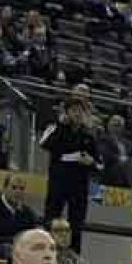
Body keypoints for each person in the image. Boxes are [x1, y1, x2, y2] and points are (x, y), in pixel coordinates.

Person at [38, 95, 103, 252]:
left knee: (76, 225)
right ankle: (46, 252)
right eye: (74, 111)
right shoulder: (56, 127)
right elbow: (43, 144)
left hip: (79, 186)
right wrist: (60, 125)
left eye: (81, 111)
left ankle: (74, 259)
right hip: (58, 183)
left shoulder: (88, 136)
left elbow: (100, 165)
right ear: (66, 113)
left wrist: (91, 162)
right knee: (51, 220)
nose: (78, 114)